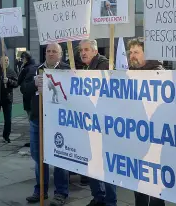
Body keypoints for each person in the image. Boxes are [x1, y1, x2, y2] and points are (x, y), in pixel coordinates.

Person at [126, 39, 176, 206]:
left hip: (157, 138)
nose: (132, 56)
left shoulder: (160, 73)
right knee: (139, 182)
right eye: (130, 53)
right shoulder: (130, 73)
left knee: (156, 183)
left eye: (136, 52)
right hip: (137, 136)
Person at [24, 43, 70, 206]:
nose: (50, 54)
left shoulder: (67, 70)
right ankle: (40, 190)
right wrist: (33, 84)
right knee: (38, 156)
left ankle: (61, 192)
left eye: (54, 51)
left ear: (60, 54)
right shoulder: (35, 69)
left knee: (60, 157)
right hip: (37, 119)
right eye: (48, 51)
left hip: (58, 121)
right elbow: (24, 89)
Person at [77, 39, 116, 206]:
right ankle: (98, 197)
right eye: (80, 50)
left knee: (106, 165)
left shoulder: (104, 65)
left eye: (86, 49)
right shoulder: (87, 67)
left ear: (94, 51)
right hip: (91, 123)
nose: (83, 53)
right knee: (92, 162)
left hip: (104, 124)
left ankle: (110, 201)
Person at [0, 55, 18, 144]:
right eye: (4, 60)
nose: (6, 62)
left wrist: (9, 81)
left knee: (8, 120)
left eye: (7, 60)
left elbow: (16, 83)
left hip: (7, 99)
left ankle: (6, 136)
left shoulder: (11, 72)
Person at [18, 51, 36, 119]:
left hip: (27, 95)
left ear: (25, 58)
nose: (21, 61)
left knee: (30, 117)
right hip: (35, 96)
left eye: (22, 59)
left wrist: (21, 69)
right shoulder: (35, 66)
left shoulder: (25, 69)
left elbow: (19, 81)